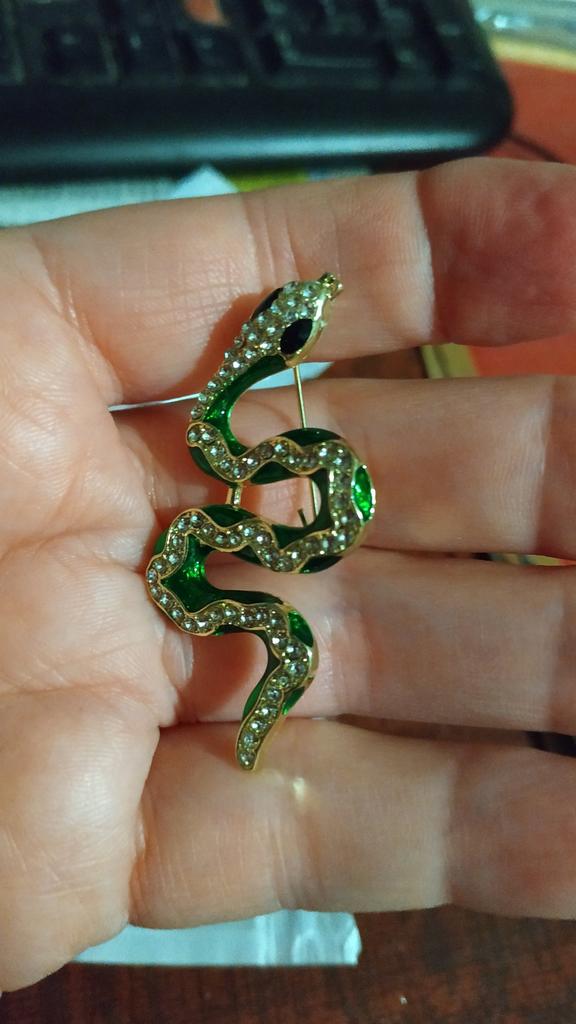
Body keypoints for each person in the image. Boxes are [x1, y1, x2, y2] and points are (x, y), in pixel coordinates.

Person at [1, 156, 576, 993]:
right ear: (286, 348)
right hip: (216, 535)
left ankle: (261, 717)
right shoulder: (224, 449)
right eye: (300, 323)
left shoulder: (266, 453)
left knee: (287, 625)